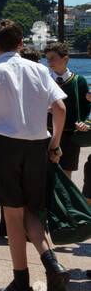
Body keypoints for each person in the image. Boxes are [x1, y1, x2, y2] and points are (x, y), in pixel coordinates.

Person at [0, 19, 71, 291]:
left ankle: (21, 282)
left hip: (4, 145)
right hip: (37, 144)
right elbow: (60, 108)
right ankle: (53, 265)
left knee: (12, 214)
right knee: (33, 212)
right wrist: (55, 143)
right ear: (21, 43)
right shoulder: (40, 69)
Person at [44, 42, 91, 193]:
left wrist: (85, 123)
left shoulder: (79, 81)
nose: (49, 62)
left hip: (71, 136)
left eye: (53, 58)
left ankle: (64, 212)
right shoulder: (43, 80)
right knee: (45, 174)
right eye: (47, 59)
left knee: (66, 176)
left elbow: (87, 109)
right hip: (47, 134)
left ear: (65, 59)